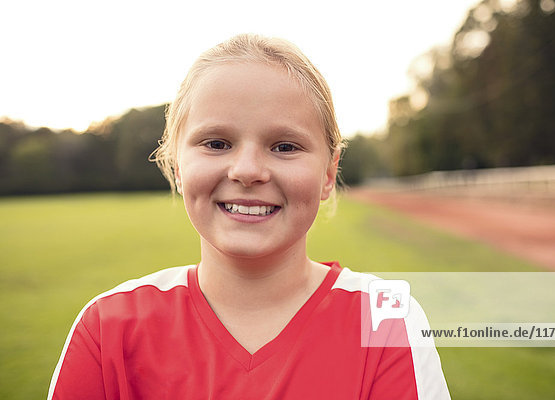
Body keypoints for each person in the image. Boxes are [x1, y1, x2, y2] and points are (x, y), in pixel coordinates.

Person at [48, 34, 450, 399]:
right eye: (217, 143)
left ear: (329, 174)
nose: (247, 170)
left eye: (285, 146)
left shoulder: (384, 320)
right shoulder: (107, 328)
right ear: (176, 168)